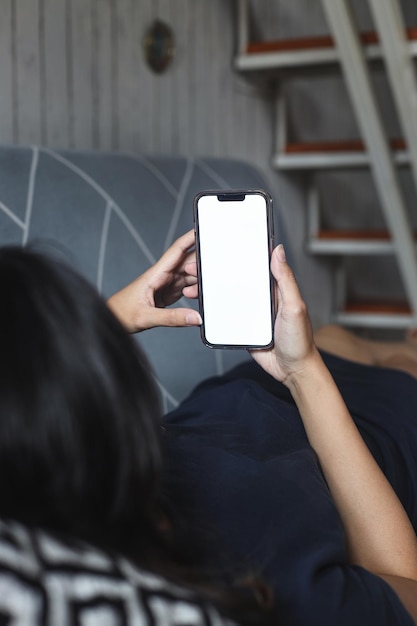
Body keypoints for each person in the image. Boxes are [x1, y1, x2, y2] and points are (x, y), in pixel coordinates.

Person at [107, 230, 417, 626]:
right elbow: (404, 584)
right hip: (356, 446)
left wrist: (114, 320)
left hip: (257, 386)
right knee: (403, 368)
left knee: (335, 338)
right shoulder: (294, 600)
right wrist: (303, 371)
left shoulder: (75, 490)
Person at [0, 243, 274, 625]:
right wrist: (304, 369)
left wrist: (101, 328)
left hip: (239, 405)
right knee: (354, 348)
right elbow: (390, 576)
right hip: (308, 424)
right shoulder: (204, 596)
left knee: (345, 343)